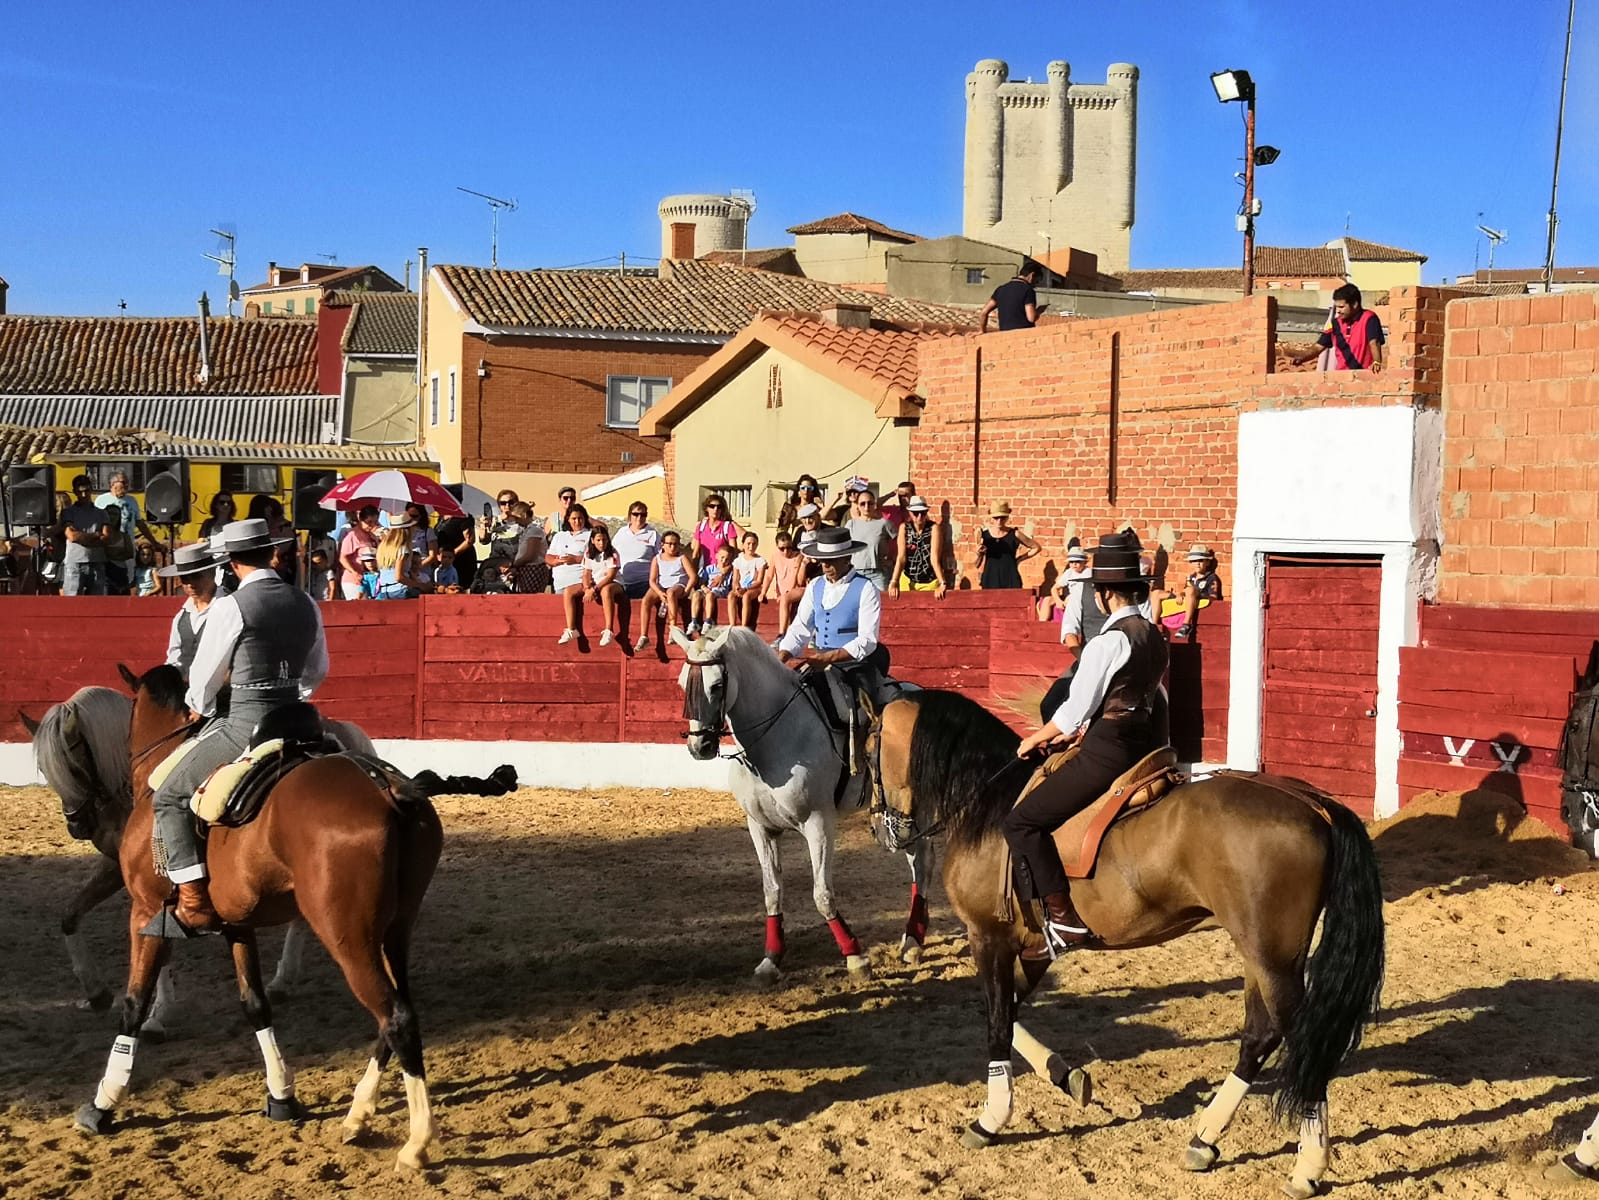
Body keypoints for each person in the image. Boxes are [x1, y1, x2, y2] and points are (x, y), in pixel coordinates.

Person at [150, 518, 329, 931]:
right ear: (274, 554)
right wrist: (291, 691)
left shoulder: (231, 606)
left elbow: (206, 676)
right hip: (299, 720)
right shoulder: (306, 601)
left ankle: (193, 901)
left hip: (244, 724)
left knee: (169, 795)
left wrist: (199, 705)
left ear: (230, 563)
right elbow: (316, 670)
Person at [1004, 536, 1168, 960]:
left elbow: (1074, 711)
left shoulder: (1107, 642)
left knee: (1022, 823)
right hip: (1144, 744)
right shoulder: (1153, 634)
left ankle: (1064, 921)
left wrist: (1035, 739)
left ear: (1105, 594)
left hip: (1108, 750)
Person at [1291, 283, 1385, 372]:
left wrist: (1377, 362)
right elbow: (1318, 347)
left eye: (1341, 307)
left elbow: (1374, 342)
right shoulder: (1335, 324)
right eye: (1337, 307)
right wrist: (1303, 357)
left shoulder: (1369, 318)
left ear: (1354, 305)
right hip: (1342, 377)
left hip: (1364, 375)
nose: (1338, 311)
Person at [159, 542, 221, 678]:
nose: (190, 585)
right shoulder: (181, 616)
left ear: (212, 572)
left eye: (197, 576)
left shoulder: (228, 608)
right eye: (185, 579)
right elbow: (174, 658)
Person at [97, 471, 162, 594]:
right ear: (113, 484)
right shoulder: (101, 500)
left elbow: (139, 523)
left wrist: (154, 542)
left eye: (127, 484)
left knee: (125, 584)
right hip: (108, 553)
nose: (126, 486)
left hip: (126, 550)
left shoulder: (132, 500)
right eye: (123, 483)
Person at [52, 475, 111, 597]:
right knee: (72, 603)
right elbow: (72, 536)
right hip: (75, 563)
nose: (84, 495)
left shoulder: (102, 513)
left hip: (97, 562)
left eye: (86, 491)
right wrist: (95, 535)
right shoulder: (68, 512)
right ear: (75, 492)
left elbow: (106, 538)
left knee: (96, 604)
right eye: (80, 492)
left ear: (91, 490)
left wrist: (82, 537)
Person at [549, 503, 593, 644]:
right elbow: (548, 556)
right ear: (568, 519)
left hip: (580, 579)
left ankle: (572, 629)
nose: (577, 521)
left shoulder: (590, 535)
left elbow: (597, 558)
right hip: (560, 581)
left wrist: (576, 559)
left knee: (571, 595)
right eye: (574, 518)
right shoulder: (560, 536)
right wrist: (554, 561)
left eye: (580, 518)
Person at [1160, 544, 1224, 641]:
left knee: (1190, 590)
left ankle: (1186, 624)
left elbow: (1213, 597)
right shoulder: (1190, 577)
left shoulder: (1211, 577)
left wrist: (1196, 594)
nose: (1197, 563)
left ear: (1207, 562)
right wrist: (1180, 594)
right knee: (1157, 594)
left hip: (1200, 599)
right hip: (1187, 599)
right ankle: (1155, 626)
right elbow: (1185, 592)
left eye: (1201, 560)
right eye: (1194, 561)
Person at [889, 495, 948, 598]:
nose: (920, 517)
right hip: (908, 578)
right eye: (916, 513)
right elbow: (901, 557)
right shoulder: (904, 528)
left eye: (923, 513)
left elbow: (934, 558)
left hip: (929, 580)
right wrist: (894, 581)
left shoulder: (933, 528)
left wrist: (942, 582)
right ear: (910, 513)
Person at [642, 530, 692, 648]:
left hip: (678, 585)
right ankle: (644, 635)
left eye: (675, 544)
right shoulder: (657, 558)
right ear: (662, 545)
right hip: (661, 586)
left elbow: (693, 576)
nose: (672, 547)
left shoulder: (682, 557)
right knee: (645, 601)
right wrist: (659, 593)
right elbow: (652, 580)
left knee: (671, 593)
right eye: (669, 544)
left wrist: (687, 590)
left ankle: (673, 628)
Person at [843, 480, 894, 591]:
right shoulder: (851, 524)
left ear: (874, 504)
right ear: (858, 506)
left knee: (882, 604)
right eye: (863, 503)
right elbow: (844, 548)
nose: (866, 507)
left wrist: (892, 559)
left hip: (878, 573)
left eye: (870, 503)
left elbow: (898, 542)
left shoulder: (884, 523)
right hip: (856, 572)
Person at [976, 501, 1040, 589]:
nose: (999, 521)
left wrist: (1019, 559)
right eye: (996, 517)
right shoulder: (985, 536)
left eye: (1002, 517)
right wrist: (980, 553)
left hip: (1010, 577)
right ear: (991, 518)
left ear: (1007, 517)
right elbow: (977, 564)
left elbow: (1036, 547)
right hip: (990, 577)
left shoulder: (1014, 534)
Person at [581, 525, 624, 647]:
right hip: (595, 584)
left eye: (604, 540)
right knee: (570, 591)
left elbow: (610, 577)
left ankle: (609, 629)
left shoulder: (613, 553)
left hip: (614, 583)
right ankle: (571, 627)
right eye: (598, 540)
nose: (602, 543)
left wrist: (594, 589)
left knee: (606, 591)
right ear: (592, 541)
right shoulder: (588, 553)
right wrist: (586, 588)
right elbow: (586, 573)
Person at [614, 502, 660, 609]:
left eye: (643, 515)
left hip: (644, 583)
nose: (639, 517)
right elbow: (611, 554)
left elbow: (661, 558)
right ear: (630, 515)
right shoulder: (621, 532)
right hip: (622, 583)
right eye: (636, 514)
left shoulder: (652, 534)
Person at [374, 518, 432, 599]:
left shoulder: (383, 548)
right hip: (400, 590)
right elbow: (399, 577)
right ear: (406, 530)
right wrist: (420, 585)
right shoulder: (403, 549)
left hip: (385, 591)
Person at [979, 261, 1043, 332]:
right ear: (1032, 275)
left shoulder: (1001, 289)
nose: (1035, 285)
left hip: (1005, 334)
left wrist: (982, 331)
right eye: (1036, 281)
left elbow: (983, 312)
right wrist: (1039, 310)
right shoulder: (1028, 290)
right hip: (1023, 334)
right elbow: (1031, 318)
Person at [763, 530, 805, 636]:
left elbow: (796, 579)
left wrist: (786, 593)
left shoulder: (798, 557)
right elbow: (769, 575)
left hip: (795, 589)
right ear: (777, 547)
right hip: (782, 592)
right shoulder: (775, 556)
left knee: (786, 600)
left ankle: (782, 633)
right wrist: (763, 592)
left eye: (789, 547)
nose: (786, 551)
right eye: (782, 548)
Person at [433, 496, 478, 593]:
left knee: (459, 589)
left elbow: (469, 540)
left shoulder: (463, 516)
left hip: (461, 560)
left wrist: (452, 554)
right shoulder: (442, 517)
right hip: (446, 561)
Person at [691, 542, 736, 637]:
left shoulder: (730, 571)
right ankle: (694, 621)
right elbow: (702, 581)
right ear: (716, 556)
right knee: (696, 594)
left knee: (710, 595)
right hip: (707, 589)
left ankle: (708, 621)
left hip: (720, 590)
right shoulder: (709, 569)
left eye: (727, 559)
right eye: (722, 557)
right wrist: (704, 587)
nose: (724, 561)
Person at [337, 506, 382, 600]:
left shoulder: (373, 535)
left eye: (375, 522)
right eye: (369, 522)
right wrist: (354, 572)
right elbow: (342, 557)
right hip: (354, 580)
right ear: (360, 519)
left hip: (370, 579)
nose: (372, 525)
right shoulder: (353, 535)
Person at [1040, 543, 1091, 623]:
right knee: (1047, 600)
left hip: (1082, 598)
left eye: (1077, 561)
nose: (1074, 564)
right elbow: (1054, 588)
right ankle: (1042, 624)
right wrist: (1058, 600)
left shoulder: (1088, 573)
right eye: (1071, 562)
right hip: (1071, 597)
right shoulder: (1069, 572)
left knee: (1070, 599)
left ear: (1084, 562)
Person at [691, 493, 742, 572]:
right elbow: (696, 553)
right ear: (706, 508)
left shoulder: (727, 527)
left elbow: (734, 553)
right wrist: (694, 574)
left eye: (719, 507)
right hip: (704, 571)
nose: (715, 509)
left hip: (722, 571)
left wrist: (724, 573)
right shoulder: (701, 526)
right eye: (712, 506)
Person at [730, 531, 769, 629]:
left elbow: (759, 581)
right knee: (731, 595)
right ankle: (732, 625)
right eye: (748, 544)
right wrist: (737, 587)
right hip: (741, 587)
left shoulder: (760, 561)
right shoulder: (738, 561)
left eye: (754, 544)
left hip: (753, 588)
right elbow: (735, 578)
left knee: (746, 596)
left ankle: (744, 625)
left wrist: (746, 588)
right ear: (743, 545)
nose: (751, 546)